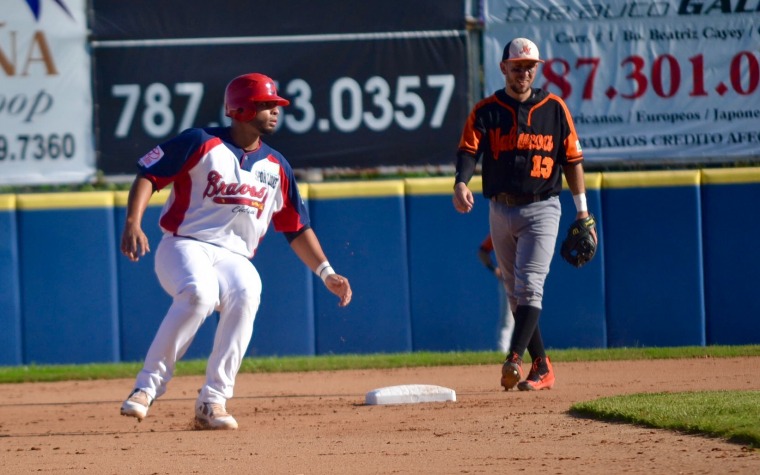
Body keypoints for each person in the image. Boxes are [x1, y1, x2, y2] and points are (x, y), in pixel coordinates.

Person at [119, 73, 352, 429]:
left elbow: (295, 227)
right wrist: (133, 222)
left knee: (248, 290)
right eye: (266, 104)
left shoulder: (277, 167)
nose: (275, 111)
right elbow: (149, 174)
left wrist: (326, 271)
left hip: (234, 256)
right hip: (184, 243)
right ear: (241, 108)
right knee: (199, 294)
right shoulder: (201, 142)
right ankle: (146, 388)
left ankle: (213, 401)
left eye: (276, 105)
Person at [452, 38, 596, 391]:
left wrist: (582, 212)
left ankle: (514, 359)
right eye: (517, 67)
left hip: (542, 207)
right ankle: (543, 365)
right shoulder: (487, 110)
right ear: (503, 69)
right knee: (515, 295)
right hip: (499, 208)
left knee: (530, 287)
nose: (525, 72)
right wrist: (460, 182)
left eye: (531, 66)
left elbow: (573, 161)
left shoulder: (554, 107)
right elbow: (468, 151)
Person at [478, 233, 515, 353]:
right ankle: (502, 354)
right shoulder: (500, 230)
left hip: (527, 281)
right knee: (507, 320)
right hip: (508, 280)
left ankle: (524, 354)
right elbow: (482, 251)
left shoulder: (527, 229)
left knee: (527, 319)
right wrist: (493, 269)